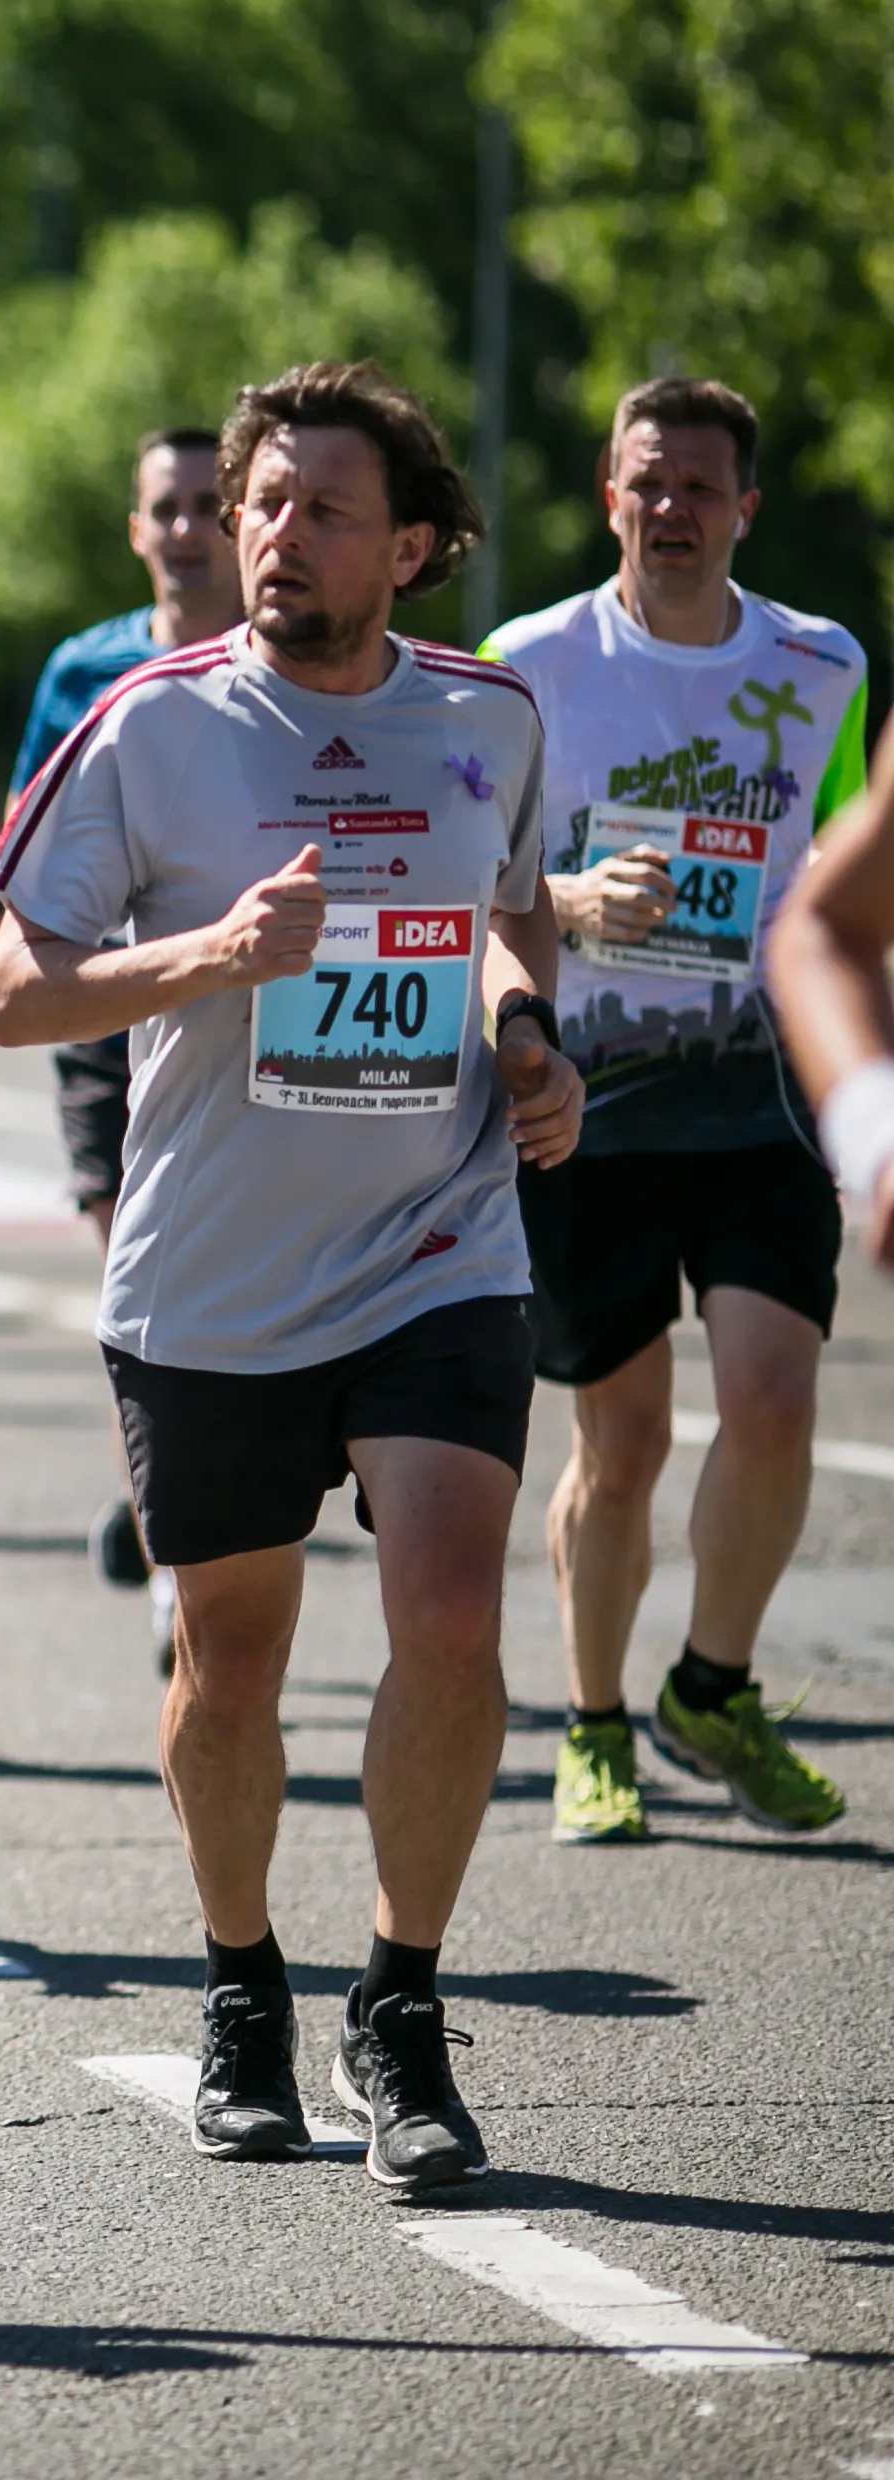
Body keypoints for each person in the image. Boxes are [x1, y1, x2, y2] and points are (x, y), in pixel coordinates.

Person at [0, 361, 578, 2192]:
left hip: (437, 1245)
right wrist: (215, 956)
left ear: (409, 547)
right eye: (262, 504)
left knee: (451, 1618)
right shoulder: (149, 724)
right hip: (212, 1274)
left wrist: (531, 1039)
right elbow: (16, 993)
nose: (279, 534)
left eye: (325, 509)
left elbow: (507, 911)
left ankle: (401, 2003)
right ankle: (242, 1984)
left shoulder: (490, 713)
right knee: (230, 1662)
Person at [491, 378, 862, 1842]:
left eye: (701, 486)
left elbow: (845, 873)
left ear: (745, 509)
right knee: (625, 1441)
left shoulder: (823, 664)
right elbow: (469, 865)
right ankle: (593, 1723)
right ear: (608, 495)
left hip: (762, 1089)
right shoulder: (527, 664)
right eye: (648, 482)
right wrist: (572, 899)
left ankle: (712, 1687)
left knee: (773, 1403)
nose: (672, 509)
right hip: (593, 1099)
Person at [8, 428, 244, 1630]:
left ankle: (207, 1495)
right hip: (109, 1009)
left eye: (211, 504)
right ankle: (168, 1551)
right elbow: (27, 846)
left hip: (252, 1012)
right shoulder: (84, 670)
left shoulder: (294, 659)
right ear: (137, 528)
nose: (188, 528)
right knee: (137, 1273)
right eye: (168, 507)